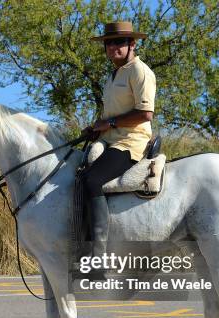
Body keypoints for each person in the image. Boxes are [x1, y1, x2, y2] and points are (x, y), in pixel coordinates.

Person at [83, 21, 156, 259]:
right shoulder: (112, 75)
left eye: (119, 42)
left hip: (132, 140)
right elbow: (111, 114)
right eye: (109, 42)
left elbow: (145, 113)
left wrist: (110, 124)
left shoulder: (140, 71)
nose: (113, 46)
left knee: (93, 180)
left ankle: (98, 254)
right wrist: (96, 127)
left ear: (132, 44)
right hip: (109, 138)